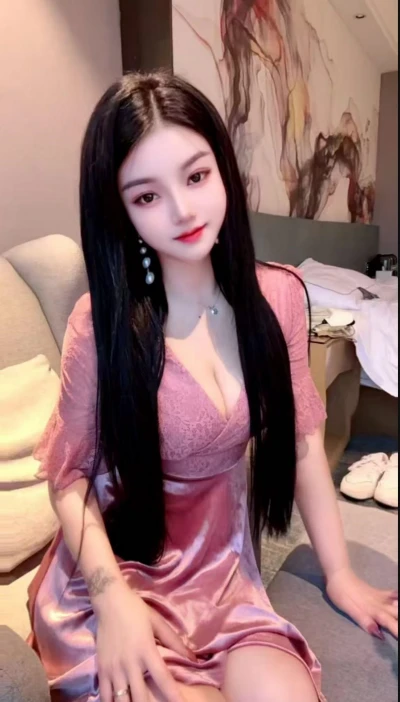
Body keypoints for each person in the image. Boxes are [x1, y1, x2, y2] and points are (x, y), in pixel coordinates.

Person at [28, 72, 398, 702]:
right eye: (147, 195)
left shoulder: (280, 296)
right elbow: (69, 478)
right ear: (120, 209)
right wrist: (112, 599)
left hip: (220, 569)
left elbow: (303, 441)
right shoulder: (102, 322)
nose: (182, 210)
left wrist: (339, 573)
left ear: (223, 169)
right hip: (118, 567)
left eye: (196, 176)